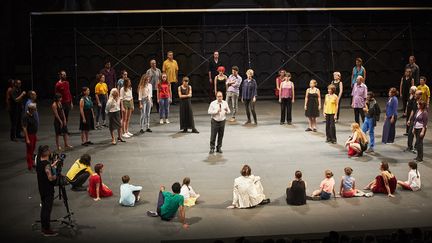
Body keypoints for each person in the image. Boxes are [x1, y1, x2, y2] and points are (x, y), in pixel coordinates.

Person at [36, 145, 58, 236]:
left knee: (44, 207)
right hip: (48, 189)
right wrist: (56, 172)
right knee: (47, 209)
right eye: (48, 150)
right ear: (45, 152)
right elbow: (50, 178)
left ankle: (44, 226)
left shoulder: (39, 161)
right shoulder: (46, 164)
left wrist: (52, 165)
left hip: (41, 188)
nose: (50, 151)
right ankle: (46, 230)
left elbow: (45, 169)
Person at [22, 103, 38, 171]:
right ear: (31, 109)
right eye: (34, 109)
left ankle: (33, 163)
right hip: (29, 135)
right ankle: (30, 165)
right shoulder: (26, 116)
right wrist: (27, 138)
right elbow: (24, 128)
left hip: (33, 135)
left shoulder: (32, 115)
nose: (35, 110)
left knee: (33, 149)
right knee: (29, 150)